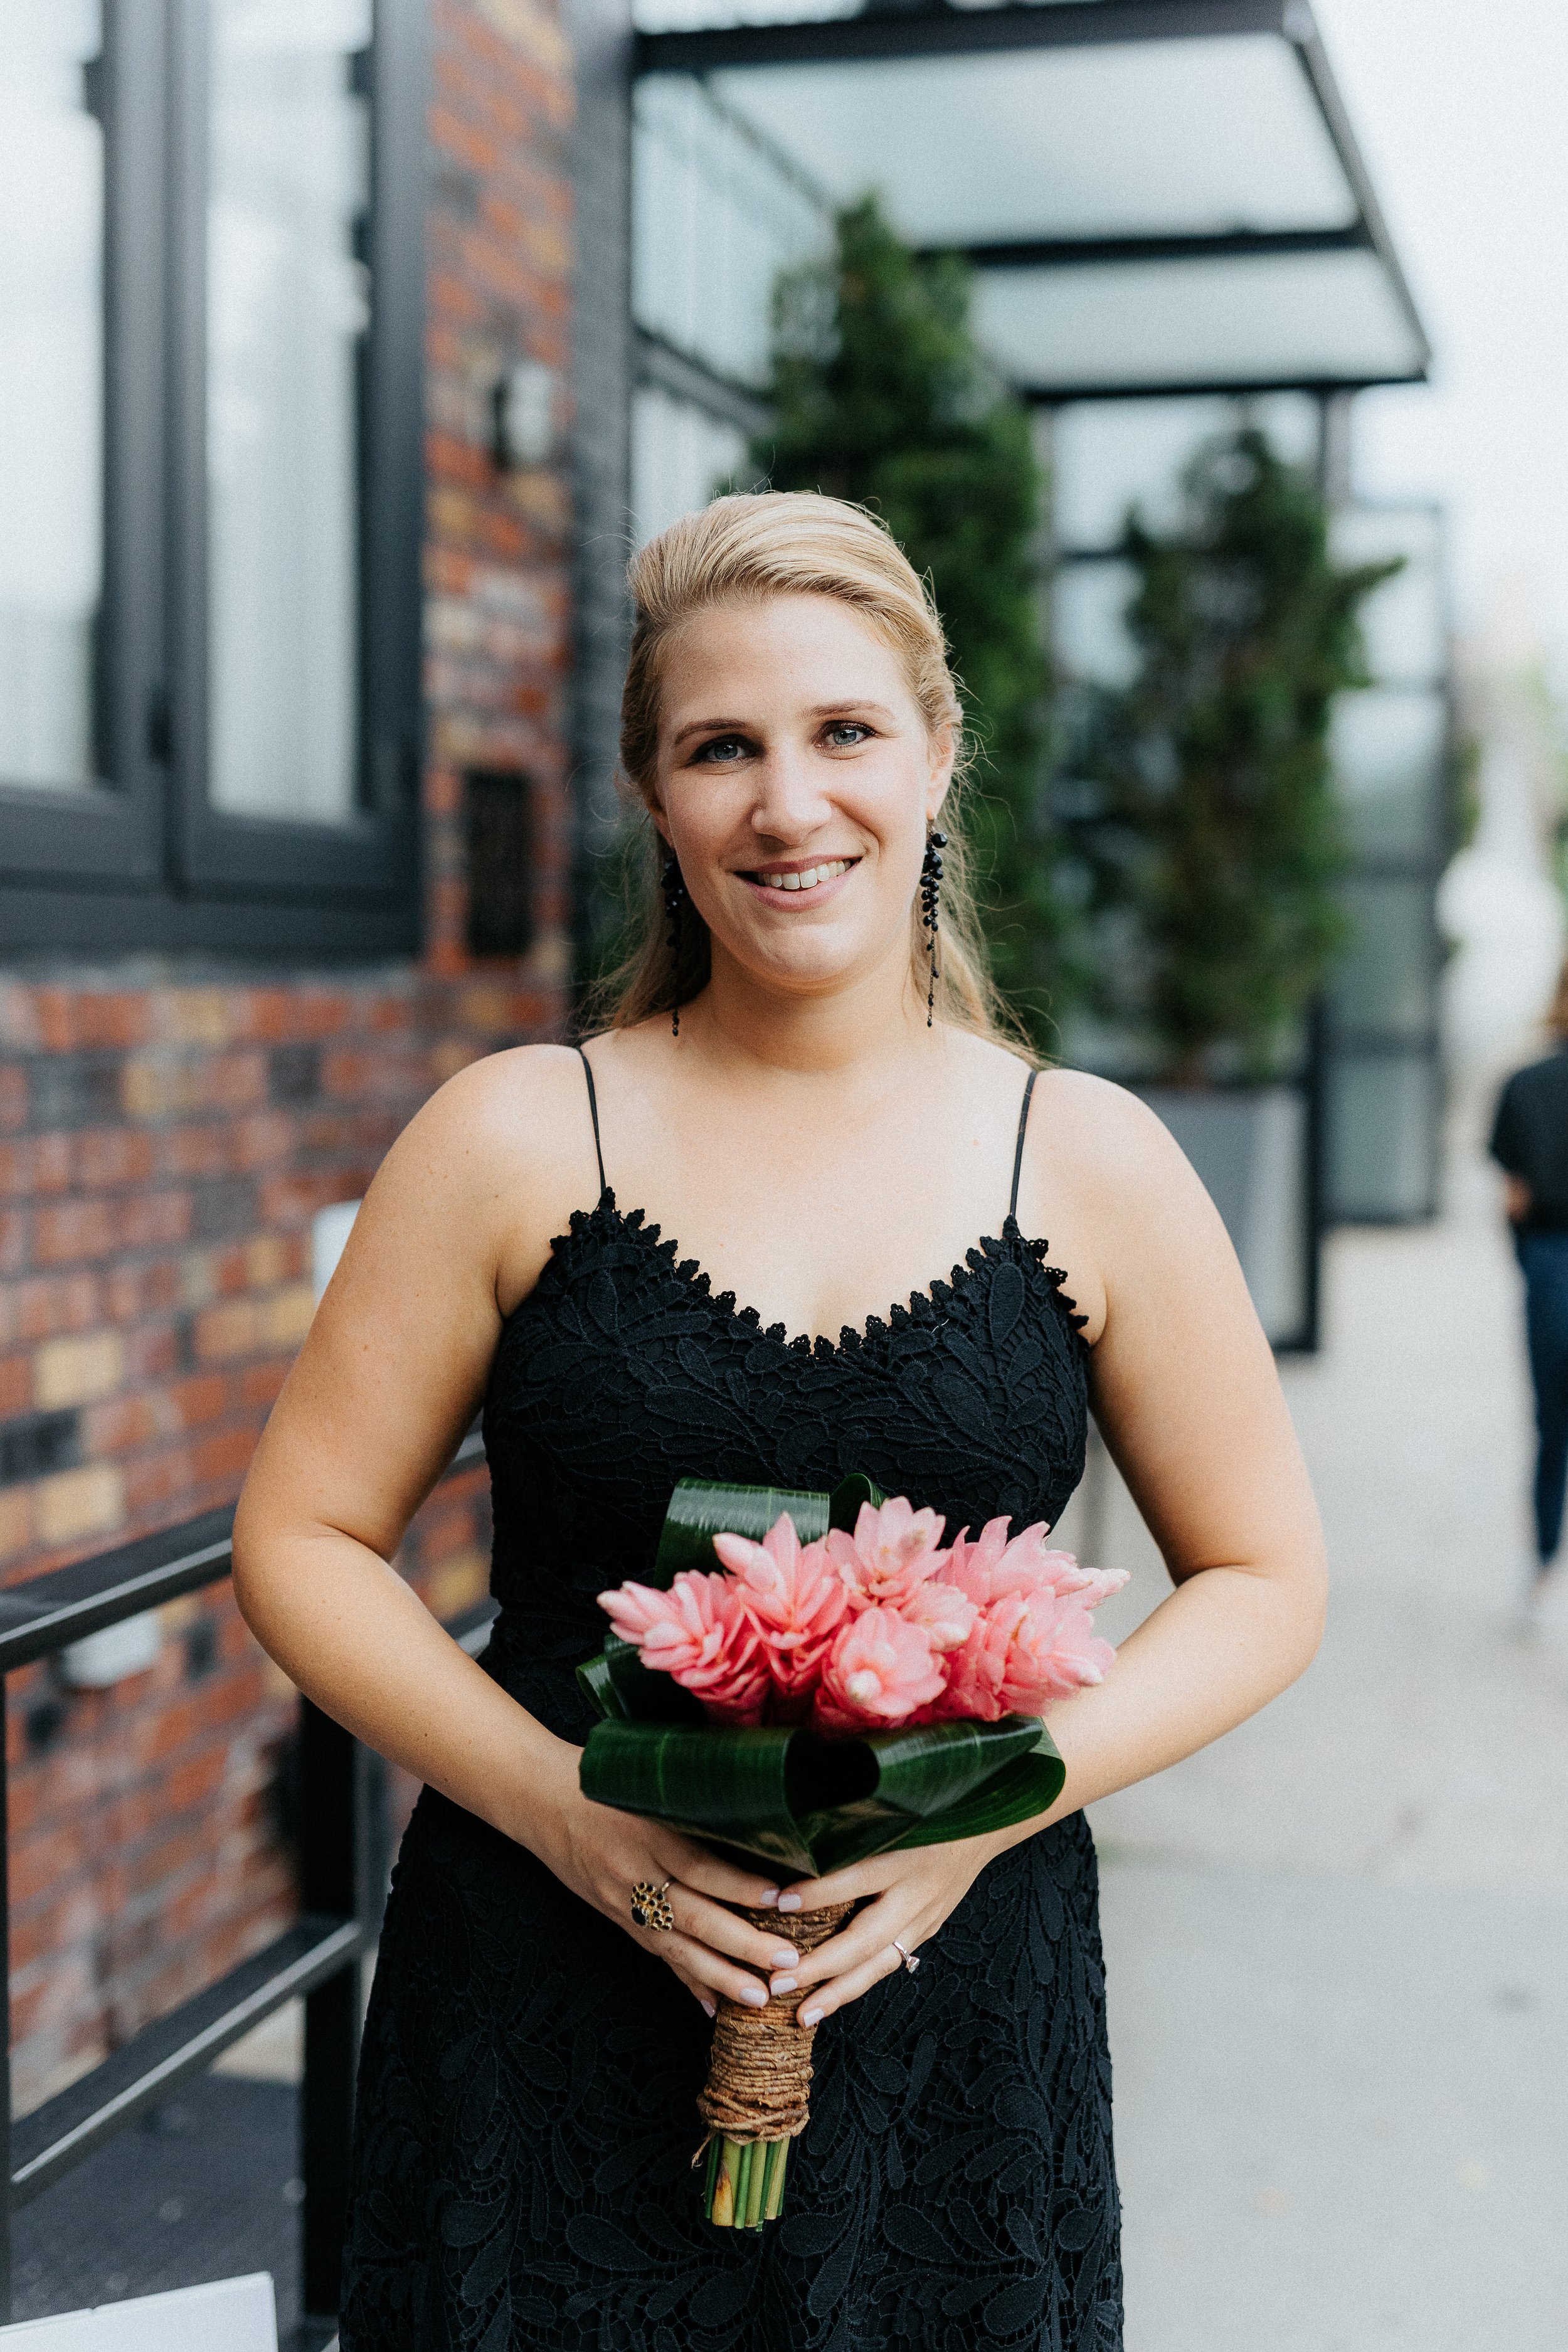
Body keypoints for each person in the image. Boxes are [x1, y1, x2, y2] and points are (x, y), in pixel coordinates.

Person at [232, 493, 1327, 2351]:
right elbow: (300, 1537)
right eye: (715, 747)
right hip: (539, 1989)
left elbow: (1261, 1572)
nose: (783, 803)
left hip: (952, 2013)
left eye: (839, 731)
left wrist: (1003, 1800)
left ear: (934, 750)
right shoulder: (510, 1134)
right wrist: (564, 1808)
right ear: (653, 798)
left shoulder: (1085, 1157)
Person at [1490, 957, 1568, 1611]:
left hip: (1552, 1265)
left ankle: (1543, 1562)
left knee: (1552, 1425)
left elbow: (1513, 1201)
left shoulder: (1524, 1085)